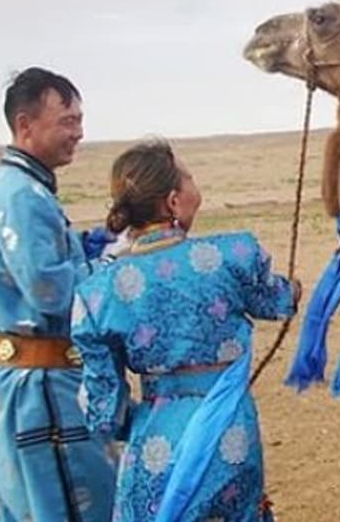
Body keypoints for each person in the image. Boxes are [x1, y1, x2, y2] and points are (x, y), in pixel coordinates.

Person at [71, 140, 299, 522]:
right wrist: (295, 289)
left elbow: (104, 413)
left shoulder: (97, 293)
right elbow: (278, 303)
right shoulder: (234, 256)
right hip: (229, 432)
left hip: (154, 440)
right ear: (173, 202)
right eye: (190, 178)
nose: (197, 187)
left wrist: (143, 419)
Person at [0, 67, 118, 522]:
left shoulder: (17, 186)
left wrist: (96, 244)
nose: (78, 133)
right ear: (25, 124)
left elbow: (51, 263)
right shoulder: (21, 195)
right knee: (69, 502)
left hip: (31, 379)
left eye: (79, 120)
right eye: (67, 121)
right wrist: (116, 263)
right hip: (43, 387)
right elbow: (51, 292)